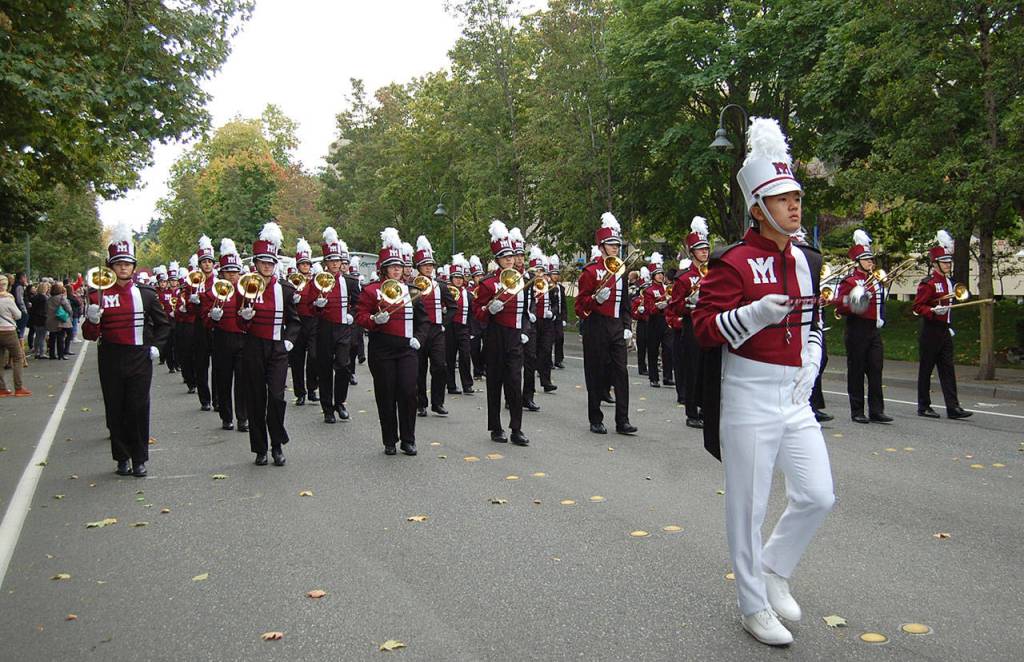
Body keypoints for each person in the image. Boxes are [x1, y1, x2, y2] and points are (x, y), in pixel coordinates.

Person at [692, 117, 834, 646]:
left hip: (795, 395)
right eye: (782, 198)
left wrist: (813, 361)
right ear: (757, 207)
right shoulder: (733, 262)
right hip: (748, 395)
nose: (795, 206)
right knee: (747, 508)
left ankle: (774, 568)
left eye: (796, 196)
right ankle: (752, 603)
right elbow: (705, 331)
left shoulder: (806, 260)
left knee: (818, 494)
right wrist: (752, 316)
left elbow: (813, 323)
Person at [82, 224, 171, 477]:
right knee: (115, 407)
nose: (123, 267)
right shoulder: (98, 294)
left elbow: (164, 326)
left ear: (133, 266)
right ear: (110, 265)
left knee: (138, 407)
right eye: (118, 263)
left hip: (139, 356)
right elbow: (90, 336)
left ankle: (140, 458)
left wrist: (156, 347)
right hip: (110, 356)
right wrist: (92, 320)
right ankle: (121, 457)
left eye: (128, 263)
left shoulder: (146, 294)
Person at [236, 222, 301, 466]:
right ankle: (260, 448)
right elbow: (237, 322)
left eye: (270, 262)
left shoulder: (284, 289)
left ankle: (276, 444)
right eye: (263, 262)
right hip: (253, 348)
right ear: (256, 263)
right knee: (256, 399)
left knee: (276, 397)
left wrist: (289, 342)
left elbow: (294, 321)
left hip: (277, 350)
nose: (267, 266)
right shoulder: (246, 286)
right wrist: (244, 319)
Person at [355, 227, 422, 456]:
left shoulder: (412, 291)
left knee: (408, 391)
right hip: (382, 348)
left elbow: (424, 321)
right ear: (384, 269)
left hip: (407, 349)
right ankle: (390, 439)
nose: (396, 270)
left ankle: (409, 439)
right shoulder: (371, 291)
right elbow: (360, 317)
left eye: (399, 266)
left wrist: (418, 339)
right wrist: (374, 319)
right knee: (386, 393)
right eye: (392, 266)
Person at [575, 212, 638, 436]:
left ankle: (623, 420)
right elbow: (580, 306)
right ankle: (595, 418)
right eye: (611, 244)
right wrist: (594, 300)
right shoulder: (590, 271)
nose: (615, 248)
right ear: (601, 246)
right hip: (596, 325)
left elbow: (626, 304)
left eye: (617, 245)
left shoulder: (620, 270)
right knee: (596, 372)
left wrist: (627, 326)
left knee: (621, 373)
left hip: (616, 326)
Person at [471, 220, 532, 446]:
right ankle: (495, 427)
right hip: (495, 336)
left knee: (515, 383)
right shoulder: (488, 284)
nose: (510, 260)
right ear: (497, 260)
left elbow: (526, 312)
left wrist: (525, 330)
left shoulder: (522, 281)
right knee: (495, 383)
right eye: (505, 257)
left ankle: (516, 429)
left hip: (515, 337)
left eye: (512, 256)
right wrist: (488, 309)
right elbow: (477, 313)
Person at [833, 230, 892, 424]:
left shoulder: (875, 281)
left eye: (871, 259)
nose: (870, 263)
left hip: (873, 329)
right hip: (857, 327)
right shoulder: (849, 281)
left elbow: (880, 303)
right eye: (866, 260)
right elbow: (840, 304)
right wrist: (854, 301)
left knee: (876, 368)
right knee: (856, 370)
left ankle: (877, 410)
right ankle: (857, 410)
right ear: (857, 261)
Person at [913, 230, 972, 420]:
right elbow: (917, 306)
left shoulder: (950, 283)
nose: (948, 265)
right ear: (935, 263)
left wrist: (948, 322)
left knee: (948, 369)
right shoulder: (928, 283)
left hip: (944, 330)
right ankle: (924, 406)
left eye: (949, 262)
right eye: (945, 262)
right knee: (926, 369)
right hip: (930, 330)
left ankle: (953, 407)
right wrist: (931, 311)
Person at [310, 228, 360, 424]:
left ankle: (340, 402)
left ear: (341, 263)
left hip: (343, 328)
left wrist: (351, 315)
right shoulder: (317, 281)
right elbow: (308, 306)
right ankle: (327, 408)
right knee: (324, 368)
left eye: (337, 261)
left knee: (343, 366)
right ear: (325, 264)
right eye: (331, 261)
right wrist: (317, 305)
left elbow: (358, 304)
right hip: (324, 328)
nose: (334, 264)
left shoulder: (350, 281)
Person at [669, 216, 711, 424]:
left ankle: (705, 407)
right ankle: (692, 412)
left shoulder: (713, 274)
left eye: (706, 249)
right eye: (700, 249)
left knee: (707, 369)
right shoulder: (684, 278)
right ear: (692, 252)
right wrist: (689, 302)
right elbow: (675, 306)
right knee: (693, 369)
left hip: (710, 326)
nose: (705, 252)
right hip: (692, 325)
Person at [207, 239, 248, 432]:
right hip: (222, 338)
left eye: (235, 271)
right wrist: (213, 317)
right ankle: (226, 416)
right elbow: (205, 322)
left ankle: (243, 417)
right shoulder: (213, 292)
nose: (233, 276)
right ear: (221, 273)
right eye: (228, 272)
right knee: (223, 379)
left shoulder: (247, 290)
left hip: (242, 338)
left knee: (243, 380)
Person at [412, 235, 455, 417]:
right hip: (419, 331)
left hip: (437, 331)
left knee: (440, 366)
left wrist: (444, 323)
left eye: (431, 265)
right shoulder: (411, 286)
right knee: (419, 368)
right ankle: (421, 402)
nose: (429, 268)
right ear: (418, 267)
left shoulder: (441, 286)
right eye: (425, 265)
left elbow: (453, 307)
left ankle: (438, 402)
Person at [186, 235, 217, 411]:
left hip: (216, 325)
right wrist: (192, 302)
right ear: (199, 264)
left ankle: (218, 399)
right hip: (199, 325)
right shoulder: (194, 281)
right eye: (204, 261)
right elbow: (189, 309)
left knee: (220, 364)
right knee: (201, 363)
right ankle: (205, 399)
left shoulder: (219, 281)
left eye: (209, 261)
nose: (207, 264)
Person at [289, 237, 320, 406]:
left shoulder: (316, 280)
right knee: (297, 358)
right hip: (297, 320)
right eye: (302, 264)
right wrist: (291, 298)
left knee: (314, 356)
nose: (305, 267)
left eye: (307, 264)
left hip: (313, 321)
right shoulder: (291, 280)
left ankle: (312, 388)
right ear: (298, 266)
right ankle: (300, 392)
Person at [528, 249, 558, 398]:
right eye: (537, 271)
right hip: (533, 323)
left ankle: (546, 382)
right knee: (531, 355)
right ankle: (530, 388)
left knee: (546, 351)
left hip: (546, 322)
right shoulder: (527, 285)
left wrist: (552, 312)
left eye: (542, 271)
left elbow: (555, 304)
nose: (540, 274)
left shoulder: (550, 286)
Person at [445, 253, 476, 395]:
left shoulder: (468, 294)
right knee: (449, 357)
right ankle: (451, 385)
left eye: (460, 278)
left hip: (463, 327)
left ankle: (467, 384)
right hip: (450, 327)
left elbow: (472, 313)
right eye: (455, 277)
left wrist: (472, 331)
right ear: (451, 278)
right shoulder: (445, 290)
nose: (458, 280)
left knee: (465, 356)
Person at [0, 274, 31, 396]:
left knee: (0, 360)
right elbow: (18, 315)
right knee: (17, 357)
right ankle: (18, 387)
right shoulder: (8, 299)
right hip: (8, 330)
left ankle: (1, 388)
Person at [175, 258, 198, 393]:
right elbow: (178, 312)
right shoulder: (181, 294)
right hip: (186, 326)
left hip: (199, 325)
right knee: (186, 354)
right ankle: (190, 380)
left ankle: (197, 379)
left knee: (199, 357)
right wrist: (181, 309)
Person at [467, 255, 487, 380]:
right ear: (473, 277)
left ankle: (483, 367)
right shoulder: (468, 290)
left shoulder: (485, 288)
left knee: (487, 347)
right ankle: (477, 371)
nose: (480, 278)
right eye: (477, 276)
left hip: (484, 321)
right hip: (473, 322)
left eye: (481, 276)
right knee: (474, 348)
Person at [548, 256, 567, 369]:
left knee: (560, 338)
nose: (556, 276)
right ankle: (548, 361)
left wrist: (564, 318)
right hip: (551, 316)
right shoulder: (548, 287)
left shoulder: (561, 288)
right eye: (554, 274)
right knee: (549, 340)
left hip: (559, 317)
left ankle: (558, 360)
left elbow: (563, 304)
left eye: (557, 274)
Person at [45, 282, 72, 360]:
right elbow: (68, 308)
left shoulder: (49, 299)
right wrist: (69, 314)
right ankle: (61, 354)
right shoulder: (61, 298)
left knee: (52, 338)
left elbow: (46, 309)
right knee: (60, 338)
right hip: (60, 320)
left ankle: (52, 354)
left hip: (50, 320)